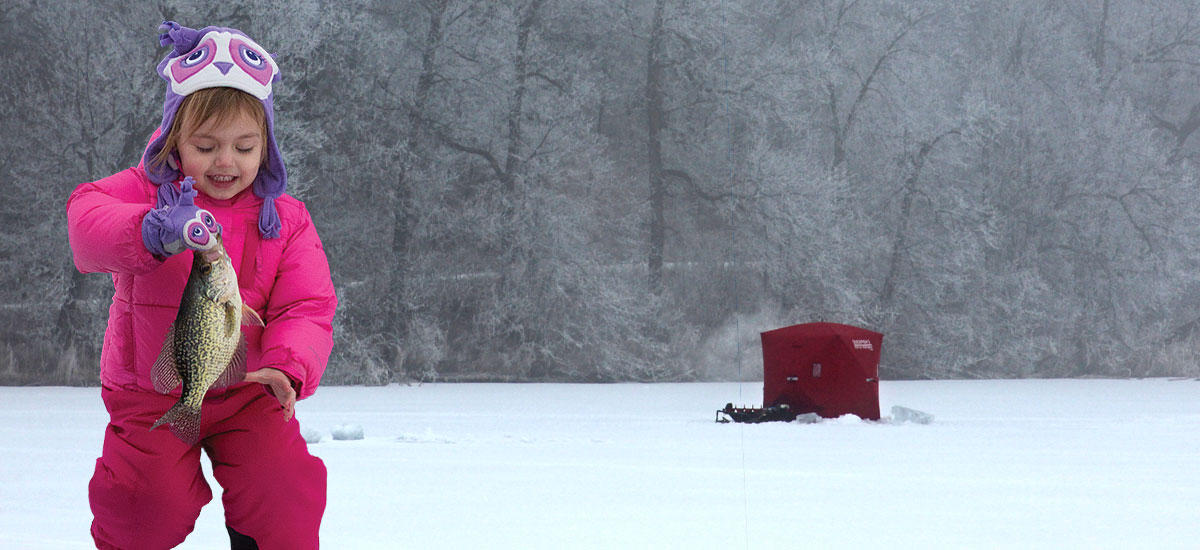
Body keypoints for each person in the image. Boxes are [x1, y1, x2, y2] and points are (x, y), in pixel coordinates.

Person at [66, 21, 336, 550]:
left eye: (244, 146)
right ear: (174, 140)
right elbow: (84, 223)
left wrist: (287, 365)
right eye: (206, 145)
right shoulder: (146, 191)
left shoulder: (287, 220)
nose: (225, 161)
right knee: (143, 504)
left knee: (284, 493)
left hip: (250, 391)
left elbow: (307, 306)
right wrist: (146, 229)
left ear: (267, 148)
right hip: (153, 389)